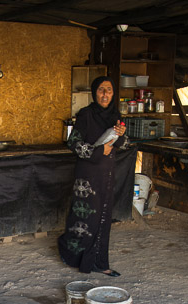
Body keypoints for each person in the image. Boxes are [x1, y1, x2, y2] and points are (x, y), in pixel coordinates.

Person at [58, 76, 129, 277]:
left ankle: (100, 263)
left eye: (108, 90)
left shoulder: (116, 116)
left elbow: (124, 144)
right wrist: (98, 152)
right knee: (85, 217)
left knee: (103, 218)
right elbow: (73, 143)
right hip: (88, 175)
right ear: (94, 92)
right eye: (101, 90)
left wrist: (122, 135)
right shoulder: (85, 115)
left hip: (106, 173)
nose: (105, 94)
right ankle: (74, 257)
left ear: (113, 93)